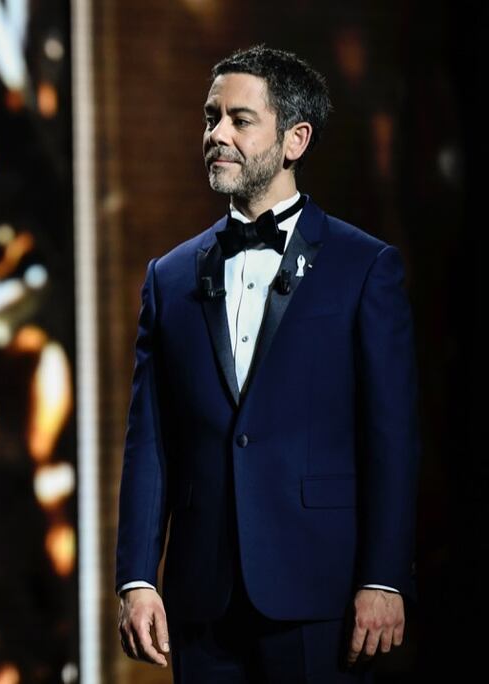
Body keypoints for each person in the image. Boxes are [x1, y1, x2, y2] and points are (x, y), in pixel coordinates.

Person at [114, 46, 418, 682]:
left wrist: (384, 577)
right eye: (210, 117)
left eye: (240, 120)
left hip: (324, 596)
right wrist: (138, 577)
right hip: (203, 600)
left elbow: (390, 437)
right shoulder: (169, 277)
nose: (216, 135)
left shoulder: (364, 268)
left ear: (294, 139)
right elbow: (150, 440)